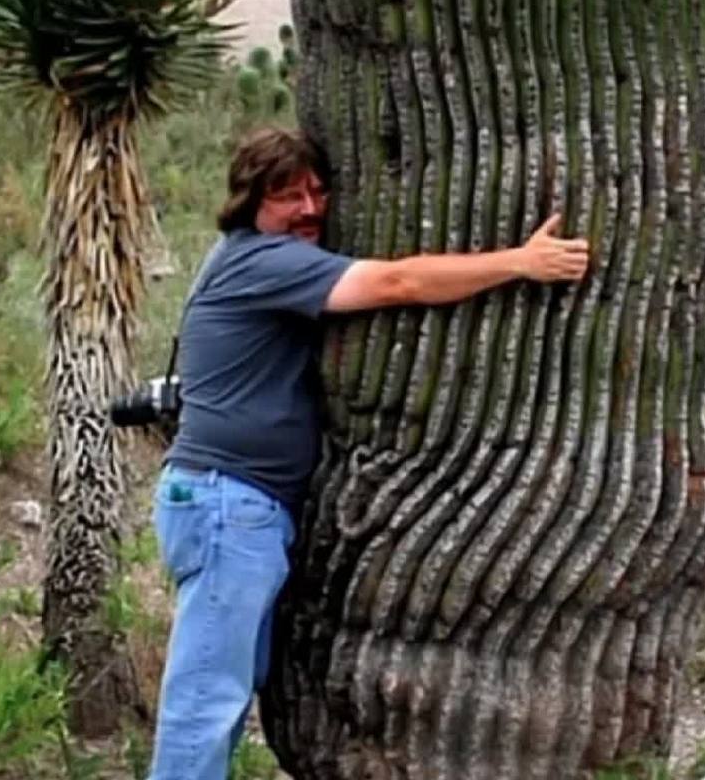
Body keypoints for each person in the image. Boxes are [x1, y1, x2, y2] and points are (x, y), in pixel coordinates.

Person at [148, 126, 589, 780]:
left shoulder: (245, 260)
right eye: (286, 196)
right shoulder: (262, 263)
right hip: (227, 507)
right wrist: (520, 263)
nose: (309, 209)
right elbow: (399, 282)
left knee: (224, 691)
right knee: (206, 701)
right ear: (249, 202)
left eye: (317, 193)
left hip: (230, 506)